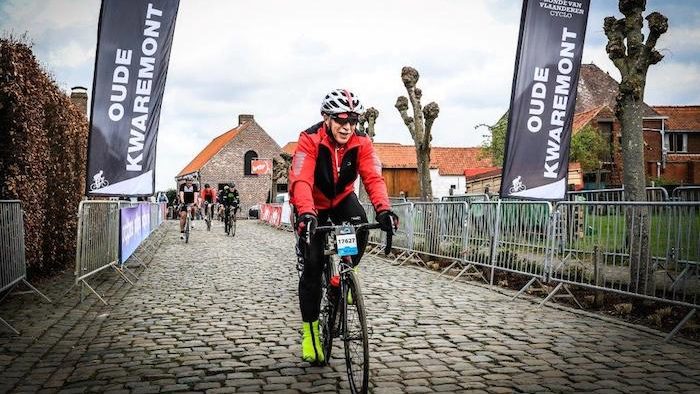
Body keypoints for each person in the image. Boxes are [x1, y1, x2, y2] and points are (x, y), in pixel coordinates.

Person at [288, 88, 399, 363]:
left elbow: (373, 177)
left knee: (360, 228)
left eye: (353, 120)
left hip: (340, 199)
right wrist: (305, 213)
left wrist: (384, 209)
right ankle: (310, 332)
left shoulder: (361, 142)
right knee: (313, 265)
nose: (347, 127)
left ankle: (343, 276)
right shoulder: (309, 139)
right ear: (326, 118)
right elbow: (301, 178)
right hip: (312, 203)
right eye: (340, 120)